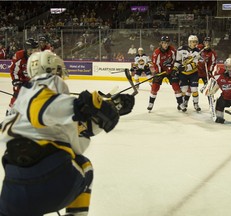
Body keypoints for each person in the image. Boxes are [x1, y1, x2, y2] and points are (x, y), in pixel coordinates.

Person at [0, 50, 135, 216]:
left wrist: (104, 110)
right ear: (53, 69)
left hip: (12, 190)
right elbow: (40, 109)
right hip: (52, 179)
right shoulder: (47, 85)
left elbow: (72, 131)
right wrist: (84, 107)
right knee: (84, 164)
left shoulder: (18, 106)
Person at [147, 35, 186, 112]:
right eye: (164, 43)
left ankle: (180, 103)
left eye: (167, 43)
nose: (166, 45)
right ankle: (151, 103)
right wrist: (158, 73)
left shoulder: (172, 50)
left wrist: (174, 69)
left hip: (171, 71)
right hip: (161, 72)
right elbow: (156, 64)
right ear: (161, 43)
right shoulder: (156, 53)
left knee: (176, 86)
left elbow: (176, 60)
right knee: (155, 87)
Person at [7, 38, 39, 115]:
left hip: (36, 83)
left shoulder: (40, 57)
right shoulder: (19, 55)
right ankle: (10, 115)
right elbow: (14, 70)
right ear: (27, 49)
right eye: (32, 49)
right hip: (23, 82)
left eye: (36, 49)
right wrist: (16, 80)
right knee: (16, 98)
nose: (35, 51)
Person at [173, 35, 201, 112]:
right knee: (184, 89)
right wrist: (175, 69)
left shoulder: (197, 52)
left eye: (196, 42)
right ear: (189, 42)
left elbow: (194, 64)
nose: (195, 43)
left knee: (194, 89)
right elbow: (178, 61)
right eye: (193, 42)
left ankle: (196, 104)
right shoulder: (181, 49)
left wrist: (185, 67)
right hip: (183, 74)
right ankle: (182, 103)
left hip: (193, 73)